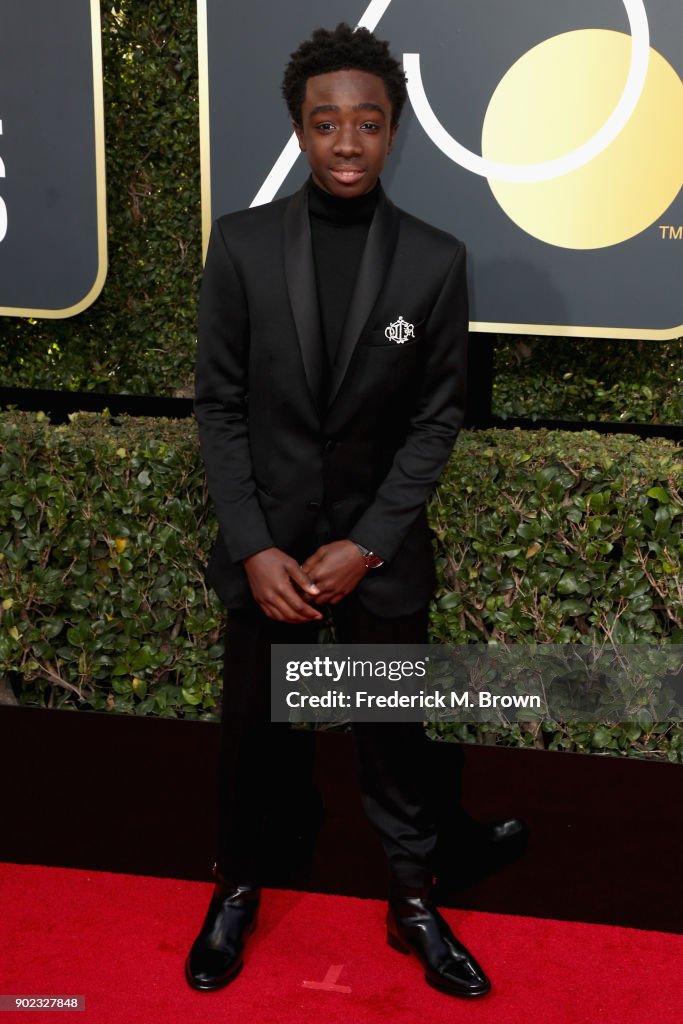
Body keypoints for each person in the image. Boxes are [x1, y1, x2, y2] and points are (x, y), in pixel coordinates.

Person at [187, 22, 497, 999]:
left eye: (367, 122)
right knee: (252, 741)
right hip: (268, 558)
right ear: (299, 129)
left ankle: (412, 901)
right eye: (327, 123)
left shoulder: (435, 263)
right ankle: (236, 889)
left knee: (391, 739)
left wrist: (364, 543)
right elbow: (221, 407)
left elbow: (437, 420)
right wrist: (252, 549)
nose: (348, 142)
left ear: (393, 131)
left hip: (376, 560)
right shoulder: (238, 248)